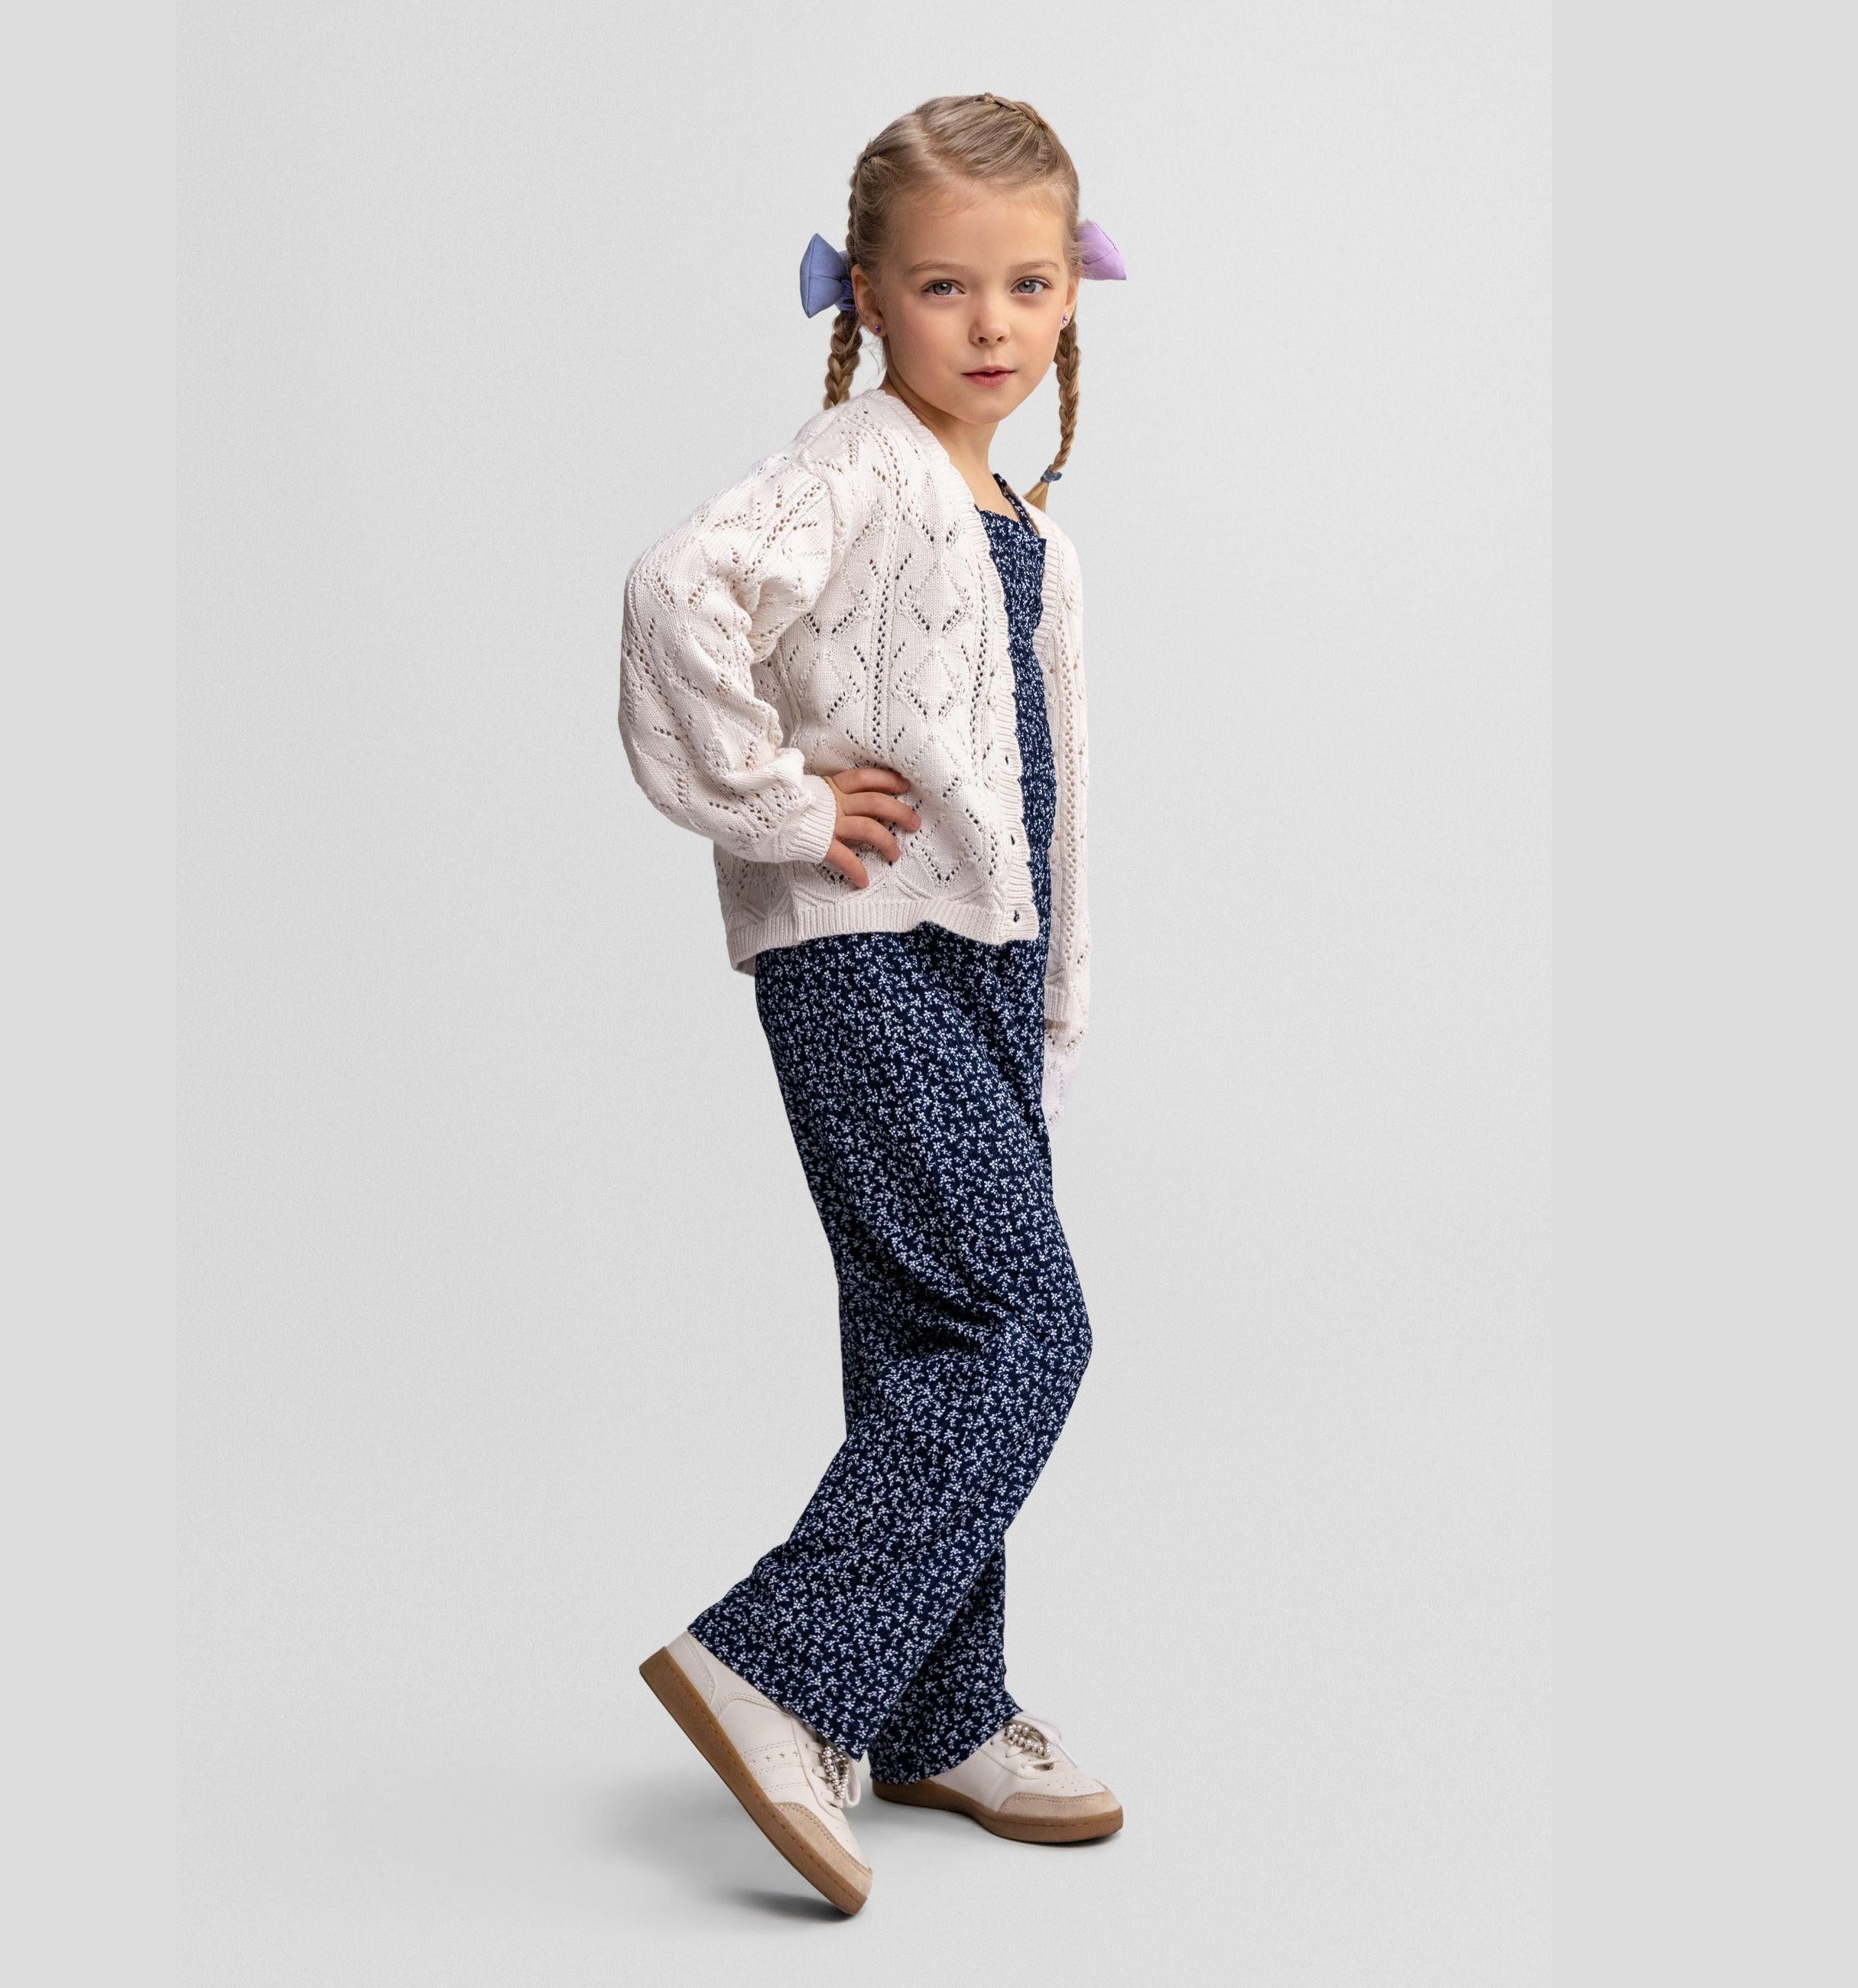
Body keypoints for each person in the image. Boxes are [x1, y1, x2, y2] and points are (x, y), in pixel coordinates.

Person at [616, 91, 1128, 1916]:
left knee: (930, 1330)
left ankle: (934, 1704)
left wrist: (1050, 982)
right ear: (869, 299)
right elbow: (676, 590)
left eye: (1027, 283)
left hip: (976, 957)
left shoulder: (1027, 525)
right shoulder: (856, 461)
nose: (990, 323)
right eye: (943, 286)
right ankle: (779, 1660)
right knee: (1022, 1324)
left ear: (1074, 292)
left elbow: (1050, 782)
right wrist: (774, 805)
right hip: (862, 945)